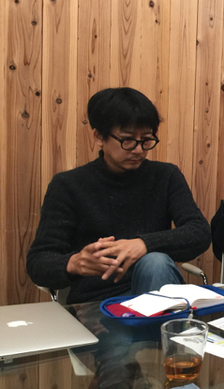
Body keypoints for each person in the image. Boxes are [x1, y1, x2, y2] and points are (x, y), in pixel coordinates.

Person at [27, 87, 211, 304]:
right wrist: (74, 263)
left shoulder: (166, 176)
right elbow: (38, 262)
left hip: (153, 291)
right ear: (99, 137)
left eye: (146, 140)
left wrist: (143, 244)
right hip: (97, 305)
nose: (139, 150)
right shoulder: (68, 185)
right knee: (156, 269)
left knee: (155, 262)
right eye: (127, 140)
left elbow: (199, 232)